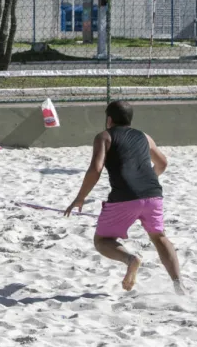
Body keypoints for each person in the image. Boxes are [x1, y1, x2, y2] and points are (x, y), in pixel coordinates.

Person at [64, 100, 185, 295]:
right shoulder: (144, 137)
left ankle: (130, 259)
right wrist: (147, 181)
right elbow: (162, 163)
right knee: (159, 237)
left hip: (124, 196)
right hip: (153, 194)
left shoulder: (104, 136)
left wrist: (80, 197)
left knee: (102, 240)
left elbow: (96, 169)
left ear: (109, 119)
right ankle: (178, 283)